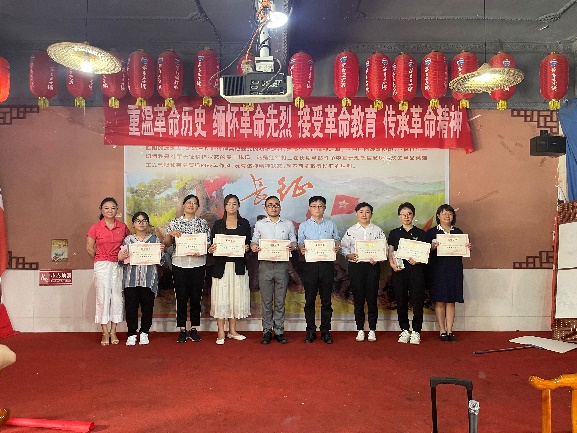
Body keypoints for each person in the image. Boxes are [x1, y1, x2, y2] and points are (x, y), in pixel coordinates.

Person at [164, 194, 211, 344]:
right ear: (183, 205)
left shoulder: (202, 223)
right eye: (189, 202)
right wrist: (170, 234)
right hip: (180, 264)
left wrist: (202, 250)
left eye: (194, 203)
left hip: (198, 264)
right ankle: (182, 329)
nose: (191, 205)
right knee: (181, 297)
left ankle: (194, 328)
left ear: (198, 207)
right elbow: (166, 244)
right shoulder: (175, 222)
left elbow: (208, 243)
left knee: (196, 297)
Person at [250, 196, 297, 344]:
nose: (273, 207)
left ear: (280, 207)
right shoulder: (260, 224)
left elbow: (293, 240)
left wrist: (293, 245)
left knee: (280, 300)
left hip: (282, 265)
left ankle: (279, 331)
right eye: (270, 205)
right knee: (266, 300)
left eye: (276, 205)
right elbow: (254, 240)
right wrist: (253, 246)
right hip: (265, 265)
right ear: (265, 208)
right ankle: (266, 331)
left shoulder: (288, 224)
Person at [341, 202, 387, 342]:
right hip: (356, 267)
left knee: (372, 298)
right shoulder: (351, 231)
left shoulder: (378, 231)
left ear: (371, 214)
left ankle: (372, 329)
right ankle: (360, 329)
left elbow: (384, 248)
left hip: (372, 267)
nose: (364, 215)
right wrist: (348, 255)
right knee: (358, 298)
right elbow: (344, 247)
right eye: (361, 212)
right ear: (357, 214)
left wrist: (377, 258)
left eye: (367, 212)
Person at [86, 197, 130, 346]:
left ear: (117, 210)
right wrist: (100, 259)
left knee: (117, 297)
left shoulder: (123, 227)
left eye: (113, 208)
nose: (110, 210)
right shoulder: (95, 227)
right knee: (103, 297)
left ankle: (113, 331)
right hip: (102, 265)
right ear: (101, 210)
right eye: (106, 208)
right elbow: (89, 248)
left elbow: (129, 245)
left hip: (118, 265)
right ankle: (104, 332)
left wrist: (120, 258)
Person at [208, 194, 251, 345]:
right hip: (221, 267)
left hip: (238, 266)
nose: (231, 206)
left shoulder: (244, 223)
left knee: (235, 297)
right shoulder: (218, 224)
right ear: (225, 206)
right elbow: (212, 245)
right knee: (222, 298)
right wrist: (211, 249)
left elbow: (248, 243)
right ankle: (221, 331)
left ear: (238, 206)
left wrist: (247, 248)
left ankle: (232, 331)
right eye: (228, 204)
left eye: (234, 203)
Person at [298, 196, 340, 344]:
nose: (317, 208)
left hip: (327, 265)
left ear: (324, 208)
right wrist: (301, 248)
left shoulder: (331, 224)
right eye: (314, 206)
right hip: (310, 266)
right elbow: (300, 243)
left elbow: (337, 239)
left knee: (326, 301)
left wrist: (337, 246)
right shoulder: (303, 226)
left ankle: (325, 331)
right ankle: (310, 331)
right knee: (309, 300)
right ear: (310, 208)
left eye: (320, 206)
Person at [118, 212, 165, 346]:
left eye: (144, 220)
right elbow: (122, 261)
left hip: (148, 279)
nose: (141, 223)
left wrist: (160, 252)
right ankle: (131, 334)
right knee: (131, 307)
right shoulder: (128, 240)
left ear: (148, 223)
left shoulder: (154, 240)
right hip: (131, 279)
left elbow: (161, 261)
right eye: (138, 221)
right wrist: (121, 257)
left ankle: (144, 332)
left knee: (147, 307)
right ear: (133, 224)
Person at [426, 204, 471, 342]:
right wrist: (431, 247)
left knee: (451, 300)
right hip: (438, 270)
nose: (447, 216)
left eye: (450, 214)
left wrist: (467, 247)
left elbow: (463, 251)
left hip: (454, 270)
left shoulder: (458, 232)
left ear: (453, 216)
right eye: (444, 213)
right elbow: (424, 253)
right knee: (440, 300)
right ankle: (442, 331)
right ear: (438, 216)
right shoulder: (431, 233)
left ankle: (450, 330)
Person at [387, 202, 428, 345]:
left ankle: (416, 331)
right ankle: (404, 329)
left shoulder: (421, 233)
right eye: (403, 214)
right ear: (399, 216)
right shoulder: (394, 233)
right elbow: (391, 251)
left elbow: (425, 253)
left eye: (409, 214)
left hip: (417, 272)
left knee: (417, 301)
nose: (406, 217)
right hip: (399, 271)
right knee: (401, 301)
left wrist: (418, 260)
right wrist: (392, 264)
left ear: (413, 215)